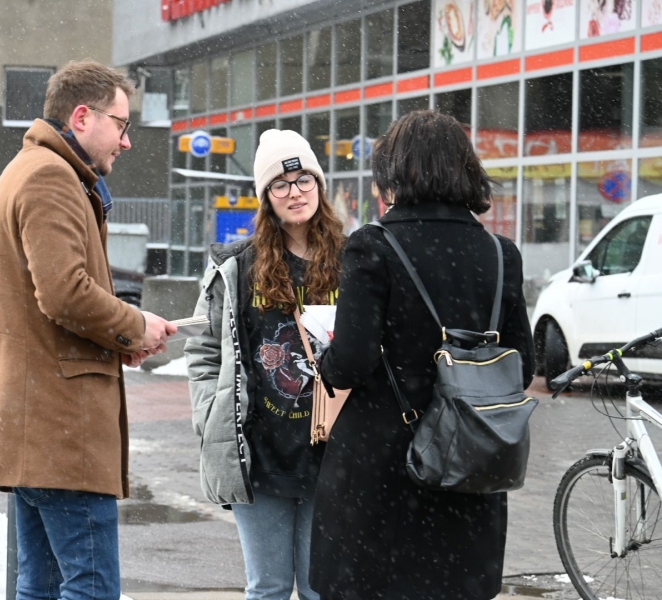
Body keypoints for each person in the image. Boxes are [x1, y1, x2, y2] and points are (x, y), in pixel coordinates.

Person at [310, 110, 536, 600]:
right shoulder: (500, 253)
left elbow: (352, 361)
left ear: (395, 170)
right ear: (465, 169)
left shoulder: (374, 246)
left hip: (383, 466)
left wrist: (322, 358)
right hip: (468, 464)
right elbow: (523, 364)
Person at [0, 60, 176, 600]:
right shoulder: (51, 177)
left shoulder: (33, 168)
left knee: (39, 587)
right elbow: (64, 293)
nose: (126, 141)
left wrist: (118, 341)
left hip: (37, 425)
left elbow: (47, 305)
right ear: (82, 117)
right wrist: (134, 325)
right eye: (122, 124)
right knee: (90, 587)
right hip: (61, 429)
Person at [185, 129, 345, 600]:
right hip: (259, 453)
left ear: (319, 185)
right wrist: (211, 416)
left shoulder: (354, 260)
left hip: (332, 451)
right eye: (281, 184)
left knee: (321, 589)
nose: (295, 192)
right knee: (268, 587)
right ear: (265, 196)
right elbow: (203, 349)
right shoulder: (237, 266)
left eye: (304, 180)